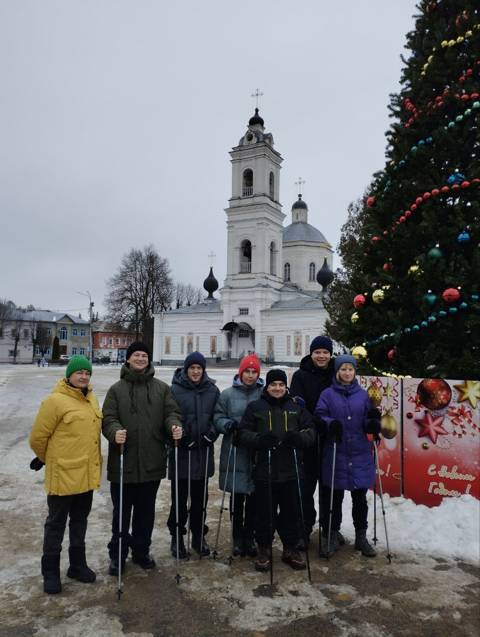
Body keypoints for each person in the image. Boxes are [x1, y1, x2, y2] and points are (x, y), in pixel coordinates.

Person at [102, 342, 182, 575]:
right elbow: (108, 418)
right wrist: (114, 431)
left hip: (151, 461)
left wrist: (174, 426)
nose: (140, 358)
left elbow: (171, 413)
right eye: (136, 355)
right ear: (128, 359)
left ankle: (141, 551)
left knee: (145, 513)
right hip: (123, 463)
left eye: (144, 355)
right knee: (121, 514)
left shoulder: (161, 389)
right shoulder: (116, 390)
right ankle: (118, 555)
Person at [29, 355, 102, 594]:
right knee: (56, 524)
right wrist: (47, 458)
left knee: (80, 522)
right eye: (79, 372)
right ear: (69, 375)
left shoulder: (91, 399)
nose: (84, 376)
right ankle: (50, 572)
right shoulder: (55, 401)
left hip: (86, 474)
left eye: (87, 373)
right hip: (63, 474)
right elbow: (38, 438)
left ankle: (77, 565)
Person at [236, 369, 315, 572]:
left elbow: (310, 431)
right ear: (267, 387)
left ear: (286, 387)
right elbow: (243, 433)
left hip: (291, 470)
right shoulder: (256, 407)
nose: (277, 388)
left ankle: (290, 548)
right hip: (265, 470)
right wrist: (260, 440)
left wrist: (299, 438)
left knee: (291, 513)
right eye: (273, 385)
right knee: (264, 513)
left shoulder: (296, 407)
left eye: (281, 385)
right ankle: (264, 548)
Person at [314, 354, 380, 557]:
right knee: (335, 497)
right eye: (343, 369)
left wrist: (373, 423)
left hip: (360, 453)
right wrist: (328, 423)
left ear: (354, 372)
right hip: (336, 451)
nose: (347, 373)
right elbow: (319, 414)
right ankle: (332, 534)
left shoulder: (363, 395)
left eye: (350, 369)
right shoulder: (327, 394)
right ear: (337, 372)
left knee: (359, 498)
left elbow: (369, 417)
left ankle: (361, 536)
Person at [167, 351, 220, 557]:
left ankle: (198, 535)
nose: (196, 372)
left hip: (202, 453)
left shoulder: (212, 390)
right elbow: (170, 415)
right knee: (179, 499)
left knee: (200, 500)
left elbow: (218, 415)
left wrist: (212, 434)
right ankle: (177, 536)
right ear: (186, 370)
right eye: (192, 368)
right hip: (182, 453)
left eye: (199, 368)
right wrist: (181, 435)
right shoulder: (174, 390)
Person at [213, 354, 263, 557]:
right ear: (240, 373)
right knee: (238, 495)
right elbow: (217, 416)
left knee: (254, 497)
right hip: (236, 449)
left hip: (257, 450)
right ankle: (237, 536)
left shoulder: (263, 393)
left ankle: (249, 537)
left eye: (254, 372)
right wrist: (227, 425)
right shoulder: (227, 394)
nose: (250, 376)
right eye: (247, 372)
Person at [290, 335, 336, 549]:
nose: (321, 356)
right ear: (311, 353)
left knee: (329, 488)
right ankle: (303, 530)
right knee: (305, 489)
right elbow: (298, 405)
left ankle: (329, 529)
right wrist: (313, 421)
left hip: (330, 439)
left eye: (325, 352)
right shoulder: (300, 376)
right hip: (308, 439)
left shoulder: (336, 373)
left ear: (330, 354)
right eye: (317, 352)